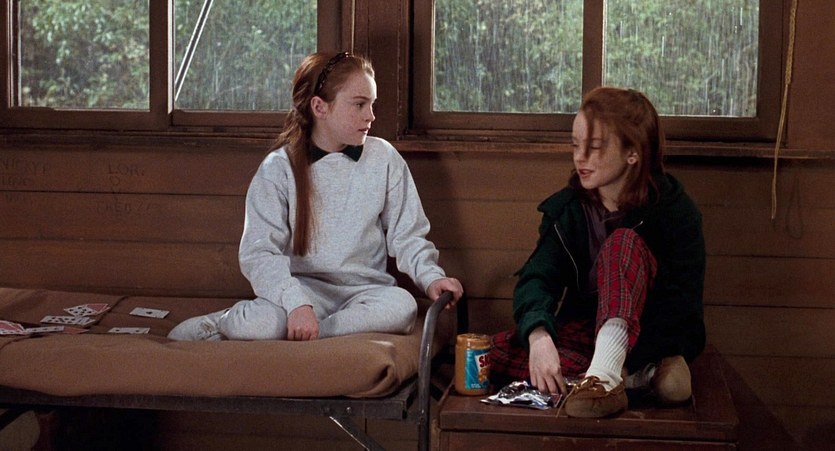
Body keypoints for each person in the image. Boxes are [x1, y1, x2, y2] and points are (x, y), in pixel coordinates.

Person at [168, 51, 463, 342]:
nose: (371, 116)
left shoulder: (384, 158)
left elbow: (408, 235)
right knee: (261, 325)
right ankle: (220, 322)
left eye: (372, 104)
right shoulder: (278, 168)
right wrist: (297, 304)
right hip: (300, 292)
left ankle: (316, 331)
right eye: (359, 104)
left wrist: (431, 277)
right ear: (320, 107)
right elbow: (259, 253)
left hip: (365, 293)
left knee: (402, 307)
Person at [489, 86, 705, 418]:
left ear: (633, 153)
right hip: (587, 337)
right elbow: (538, 279)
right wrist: (539, 337)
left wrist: (631, 355)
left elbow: (682, 312)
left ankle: (605, 378)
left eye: (594, 147)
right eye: (575, 145)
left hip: (649, 339)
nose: (580, 157)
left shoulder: (675, 212)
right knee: (492, 353)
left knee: (620, 244)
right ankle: (636, 380)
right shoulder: (568, 210)